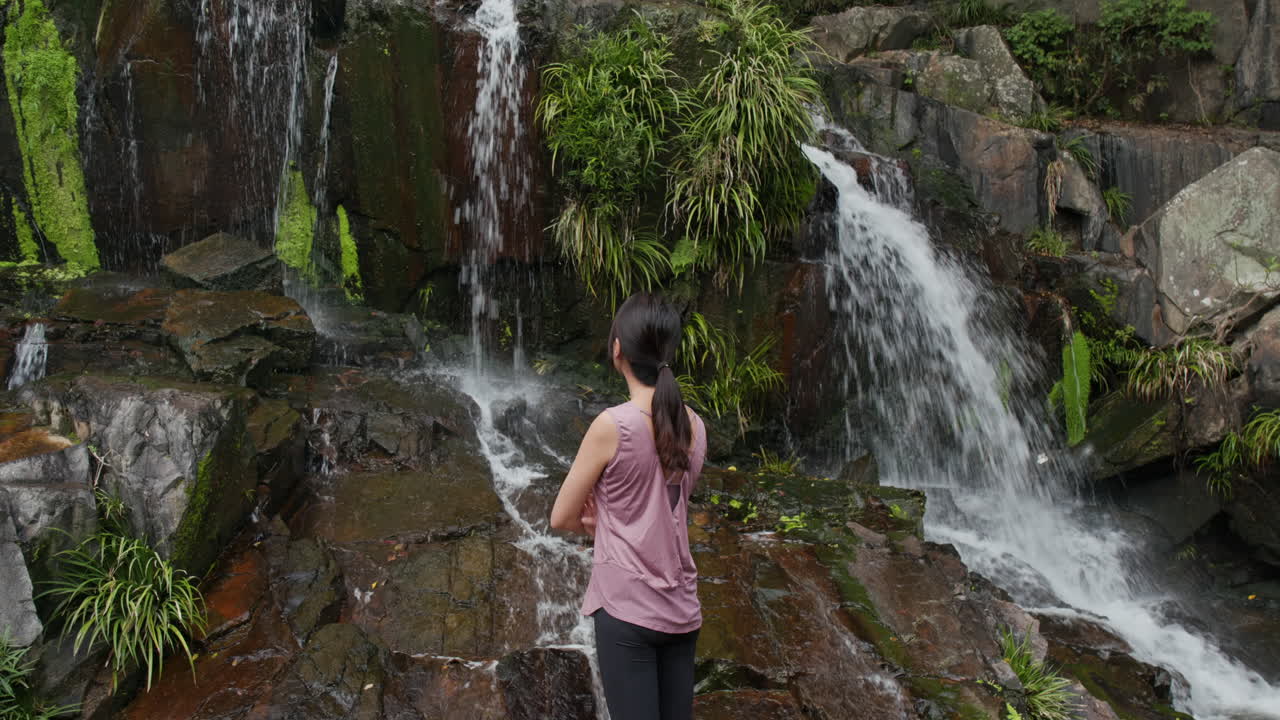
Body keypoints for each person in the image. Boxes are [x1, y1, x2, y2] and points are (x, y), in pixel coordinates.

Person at [550, 293, 707, 720]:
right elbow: (664, 507)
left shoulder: (612, 425)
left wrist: (603, 523)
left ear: (617, 348)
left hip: (626, 613)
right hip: (681, 610)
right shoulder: (695, 425)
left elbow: (560, 516)